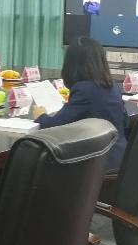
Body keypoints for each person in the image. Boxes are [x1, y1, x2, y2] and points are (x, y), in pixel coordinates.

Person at [33, 37, 128, 171]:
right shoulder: (113, 86)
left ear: (72, 65)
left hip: (96, 167)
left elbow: (54, 126)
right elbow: (125, 122)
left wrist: (41, 115)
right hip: (119, 160)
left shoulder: (84, 90)